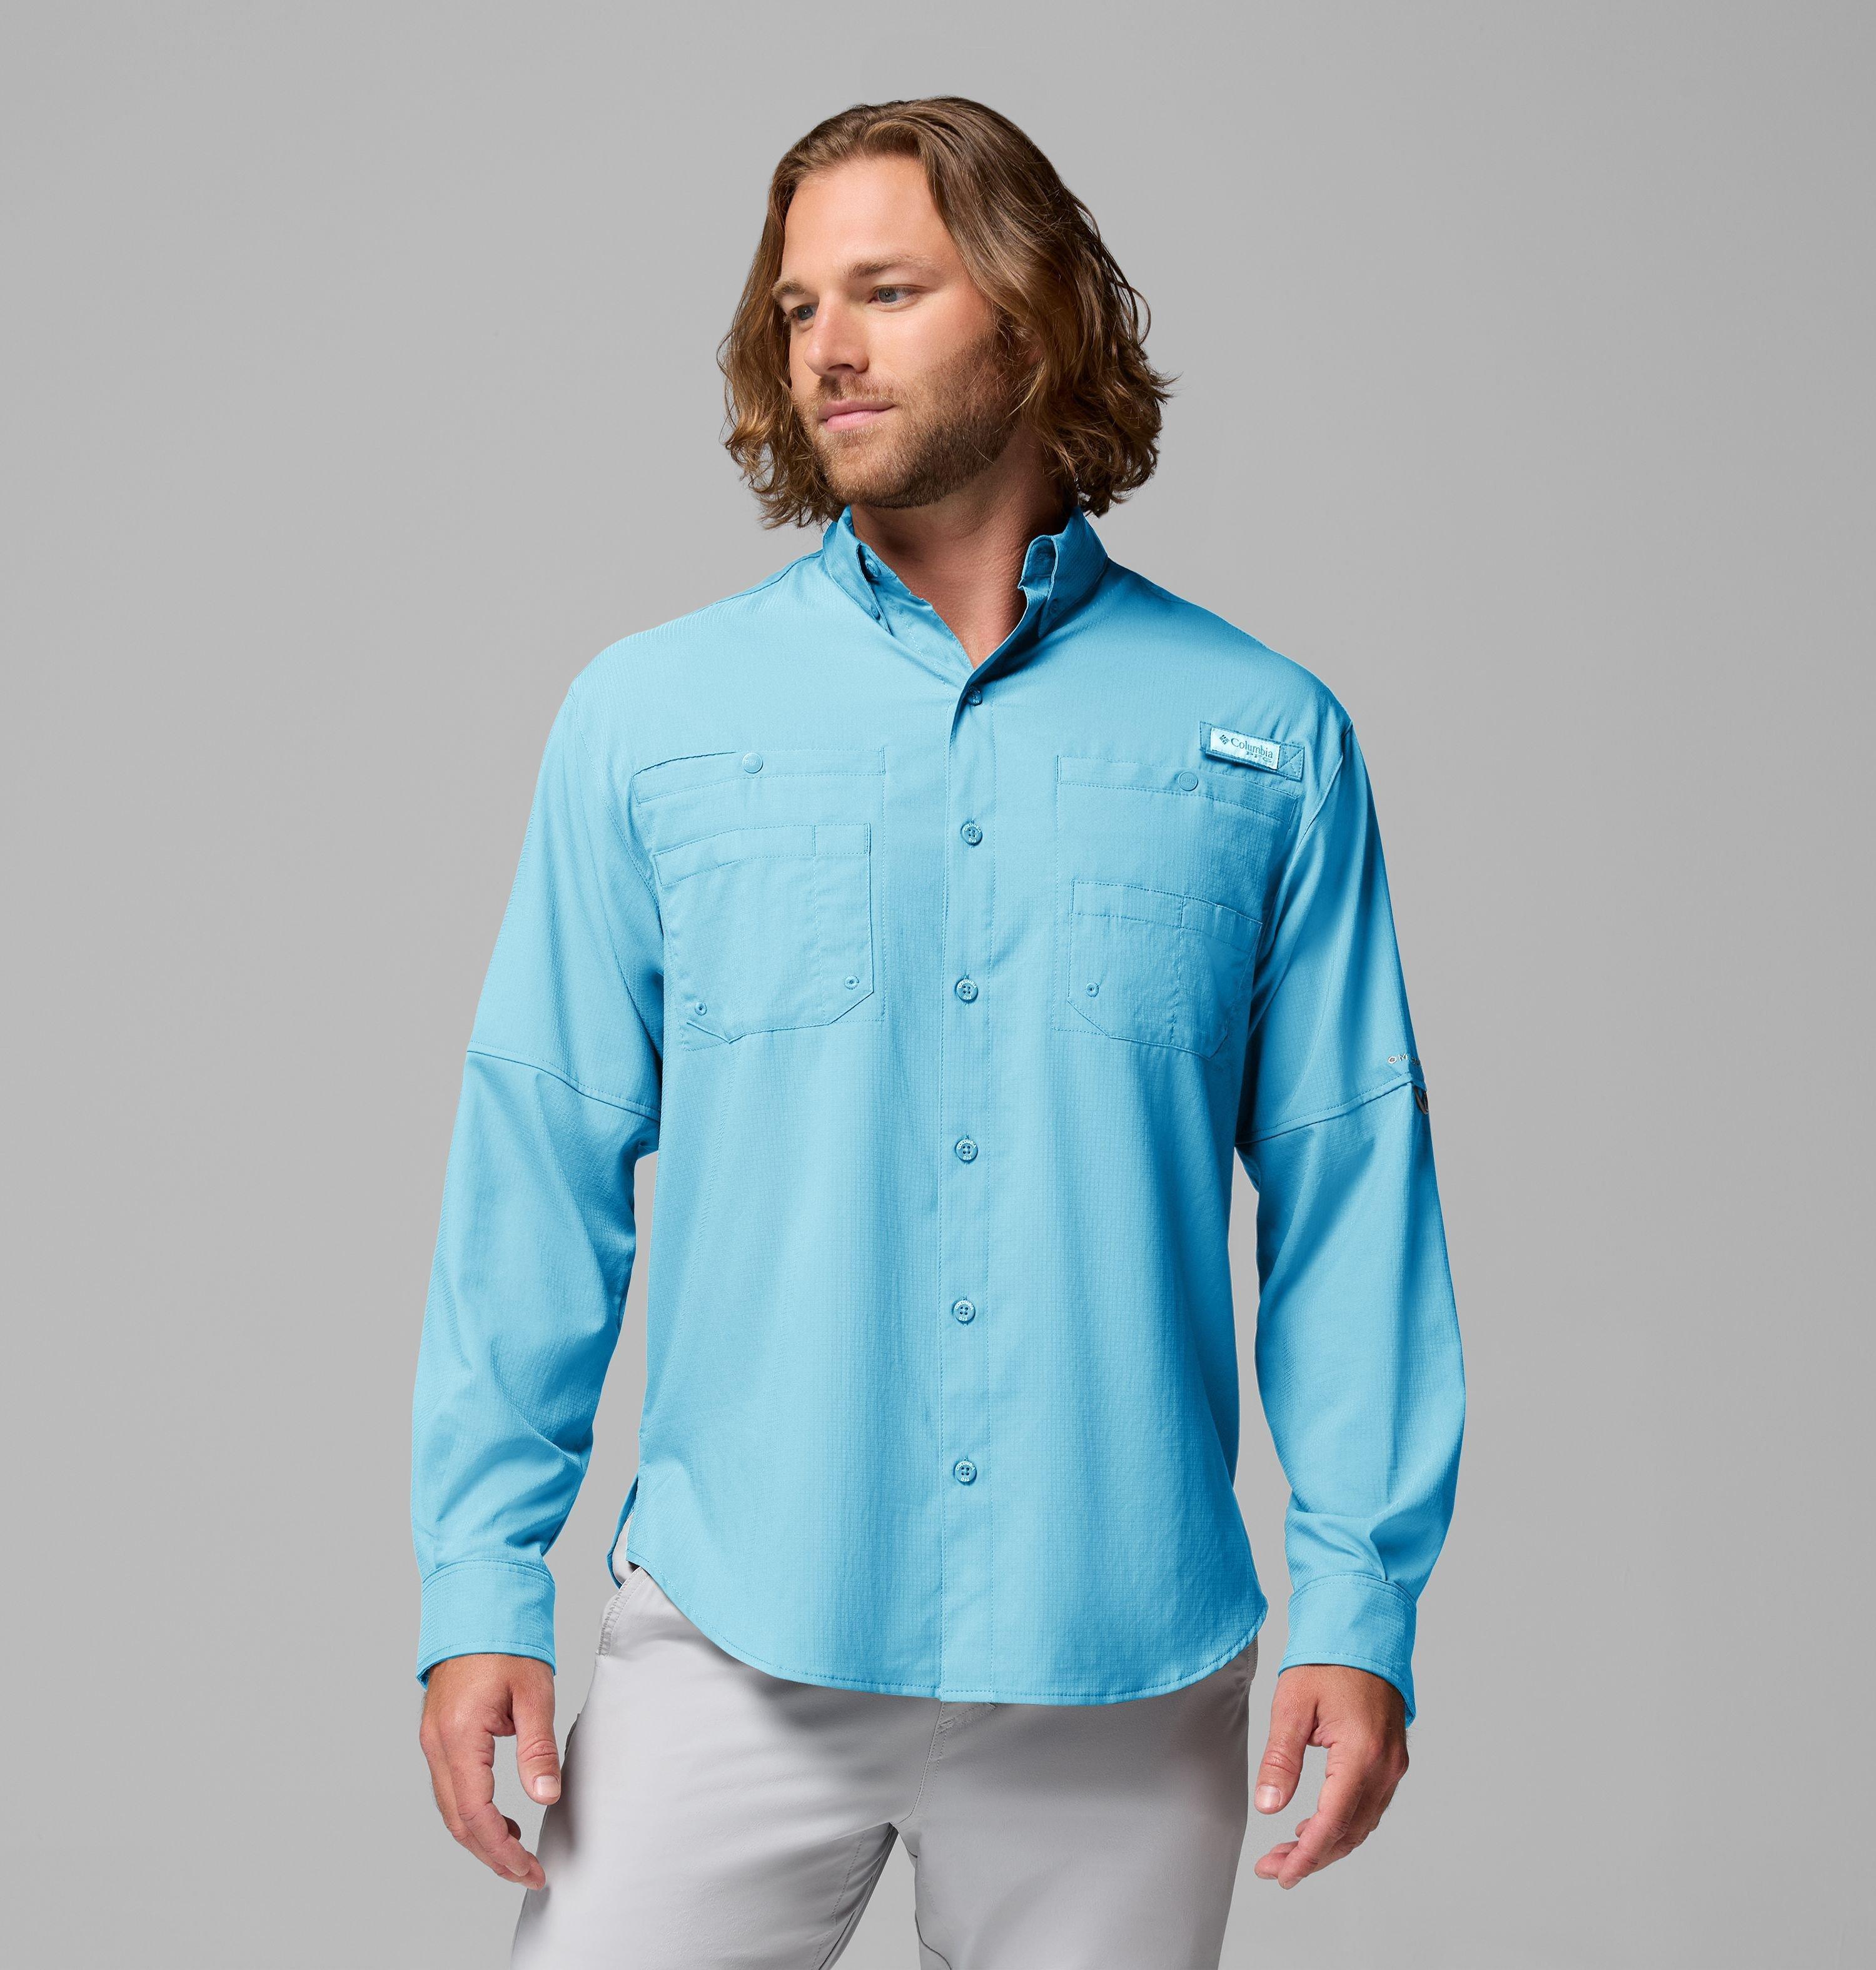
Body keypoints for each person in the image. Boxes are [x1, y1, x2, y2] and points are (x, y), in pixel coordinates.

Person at [411, 94, 1466, 1969]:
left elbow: (1349, 1190)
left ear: (1034, 314)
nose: (825, 343)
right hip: (735, 1636)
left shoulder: (1264, 738)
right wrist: (481, 1579)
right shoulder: (650, 719)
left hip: (1123, 1669)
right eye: (797, 303)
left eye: (886, 291)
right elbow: (540, 1159)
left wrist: (1360, 1603)